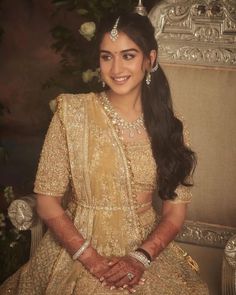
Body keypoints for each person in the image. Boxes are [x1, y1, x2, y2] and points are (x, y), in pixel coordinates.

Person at [0, 9, 209, 295]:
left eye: (128, 55)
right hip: (79, 248)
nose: (116, 69)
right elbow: (47, 203)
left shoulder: (170, 126)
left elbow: (173, 213)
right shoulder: (71, 115)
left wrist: (140, 257)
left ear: (150, 60)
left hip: (145, 250)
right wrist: (92, 260)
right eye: (106, 56)